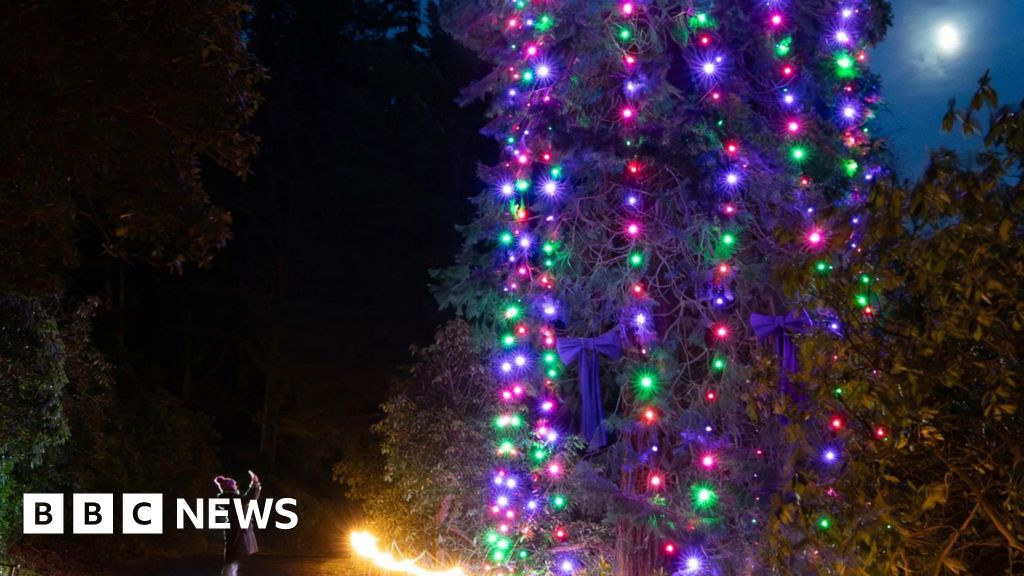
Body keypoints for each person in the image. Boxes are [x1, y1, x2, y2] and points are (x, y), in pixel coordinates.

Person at [214, 470, 261, 576]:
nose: (236, 486)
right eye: (234, 484)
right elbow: (249, 498)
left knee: (234, 558)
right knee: (234, 558)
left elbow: (249, 499)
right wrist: (255, 483)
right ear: (230, 487)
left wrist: (255, 485)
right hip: (237, 530)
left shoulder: (231, 497)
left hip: (238, 530)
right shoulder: (231, 498)